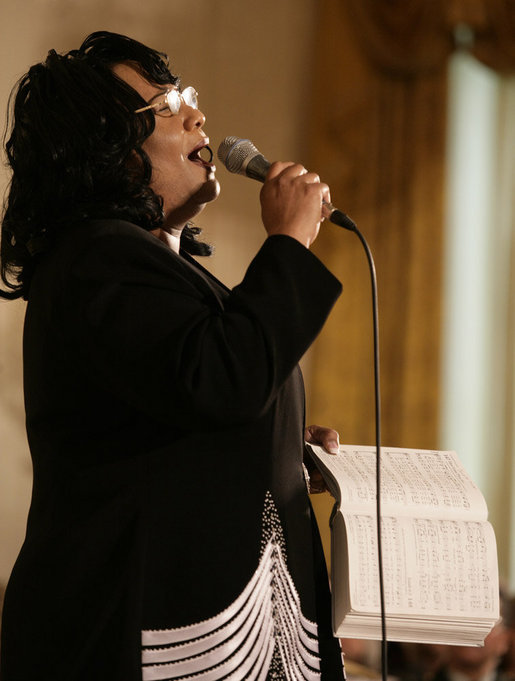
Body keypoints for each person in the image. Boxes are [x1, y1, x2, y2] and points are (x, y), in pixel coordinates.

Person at [0, 31, 344, 680]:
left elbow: (191, 402)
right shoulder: (96, 258)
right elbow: (219, 381)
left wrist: (276, 449)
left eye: (188, 95)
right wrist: (289, 245)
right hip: (141, 634)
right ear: (106, 146)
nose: (197, 114)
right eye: (165, 106)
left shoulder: (174, 279)